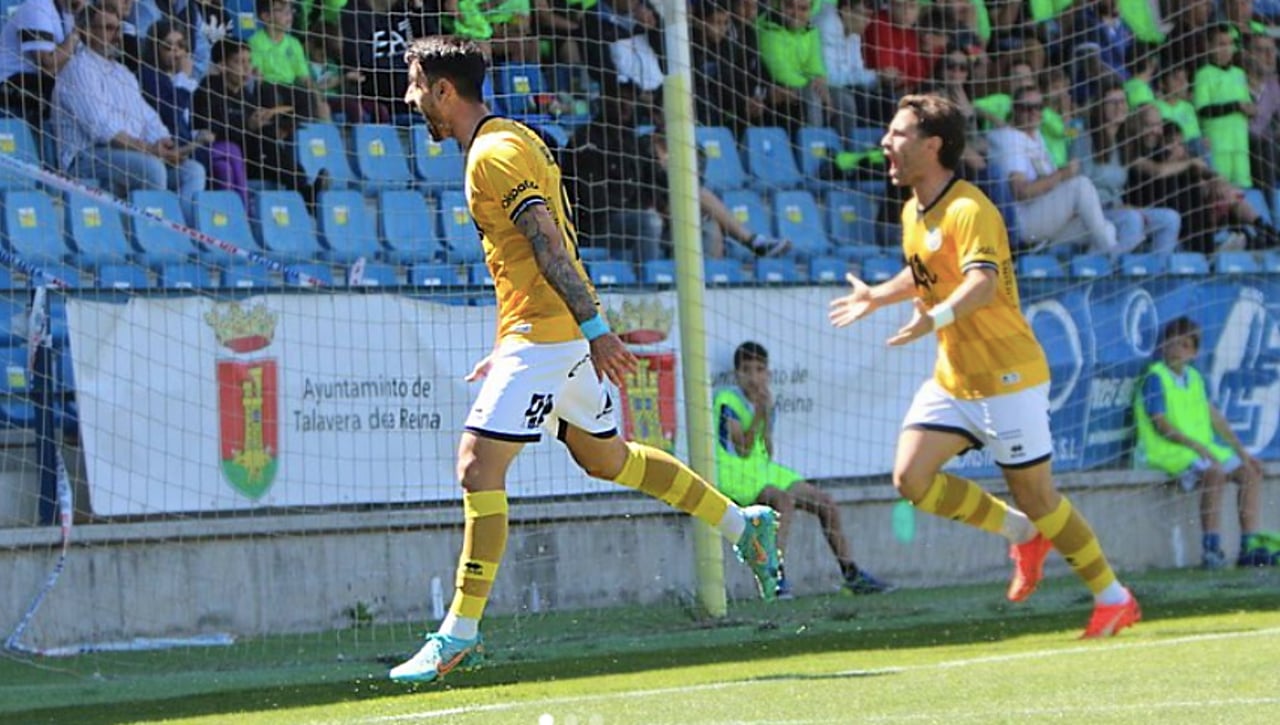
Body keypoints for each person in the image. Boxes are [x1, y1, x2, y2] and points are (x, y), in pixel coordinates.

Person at [390, 35, 782, 684]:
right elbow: (522, 259)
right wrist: (510, 344)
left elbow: (546, 238)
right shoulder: (507, 138)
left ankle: (458, 631)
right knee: (608, 458)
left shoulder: (493, 153)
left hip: (553, 336)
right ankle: (743, 525)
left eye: (413, 87)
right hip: (543, 334)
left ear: (442, 89)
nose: (409, 100)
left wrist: (594, 326)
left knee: (476, 465)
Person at [828, 93, 1140, 639]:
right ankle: (1021, 534)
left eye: (897, 135)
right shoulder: (914, 210)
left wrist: (935, 318)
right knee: (912, 478)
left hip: (1008, 375)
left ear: (932, 146)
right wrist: (878, 296)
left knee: (1040, 496)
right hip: (955, 376)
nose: (885, 143)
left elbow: (982, 283)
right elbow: (926, 272)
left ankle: (1113, 597)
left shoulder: (971, 208)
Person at [715, 341, 888, 598]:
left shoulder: (765, 400)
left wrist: (764, 413)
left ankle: (851, 574)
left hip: (762, 471)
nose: (753, 377)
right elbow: (743, 448)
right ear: (737, 373)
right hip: (735, 475)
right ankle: (775, 576)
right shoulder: (727, 399)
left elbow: (766, 449)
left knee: (825, 503)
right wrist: (761, 413)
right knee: (783, 501)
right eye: (747, 370)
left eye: (759, 370)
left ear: (768, 373)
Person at [1133, 317, 1269, 570]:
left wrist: (1243, 453)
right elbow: (1159, 423)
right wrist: (1198, 448)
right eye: (1173, 342)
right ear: (1163, 345)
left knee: (1250, 473)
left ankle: (1249, 546)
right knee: (1214, 474)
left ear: (1194, 353)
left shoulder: (1195, 378)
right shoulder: (1155, 378)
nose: (1177, 349)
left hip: (1200, 449)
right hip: (1168, 452)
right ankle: (1211, 547)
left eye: (1184, 345)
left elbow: (1215, 417)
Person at [52, 4, 207, 217]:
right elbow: (101, 129)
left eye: (118, 28)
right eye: (108, 28)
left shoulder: (123, 72)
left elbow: (147, 117)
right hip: (85, 158)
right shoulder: (78, 68)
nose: (116, 36)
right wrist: (149, 149)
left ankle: (187, 237)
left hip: (129, 152)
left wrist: (164, 142)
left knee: (192, 171)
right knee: (152, 169)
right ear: (86, 31)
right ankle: (150, 236)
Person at [987, 86, 1127, 257]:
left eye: (1038, 107)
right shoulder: (1010, 138)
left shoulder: (1036, 135)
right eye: (1026, 108)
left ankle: (1094, 279)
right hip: (1025, 223)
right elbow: (1021, 191)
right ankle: (1116, 260)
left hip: (1046, 220)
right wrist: (1061, 174)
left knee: (1106, 229)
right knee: (1080, 185)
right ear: (1015, 109)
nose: (1033, 113)